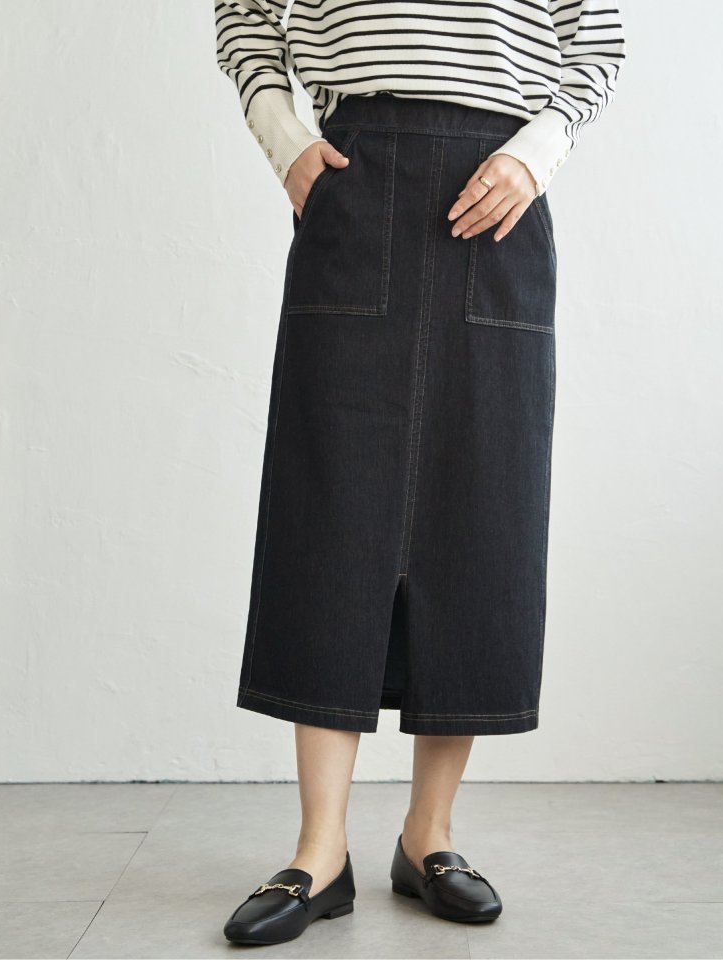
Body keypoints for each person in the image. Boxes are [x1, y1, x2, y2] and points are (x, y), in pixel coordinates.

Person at [214, 0, 626, 945]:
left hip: (497, 192)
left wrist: (537, 154)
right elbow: (243, 13)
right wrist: (286, 142)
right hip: (354, 181)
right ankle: (320, 852)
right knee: (331, 509)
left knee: (477, 509)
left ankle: (428, 835)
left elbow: (597, 40)